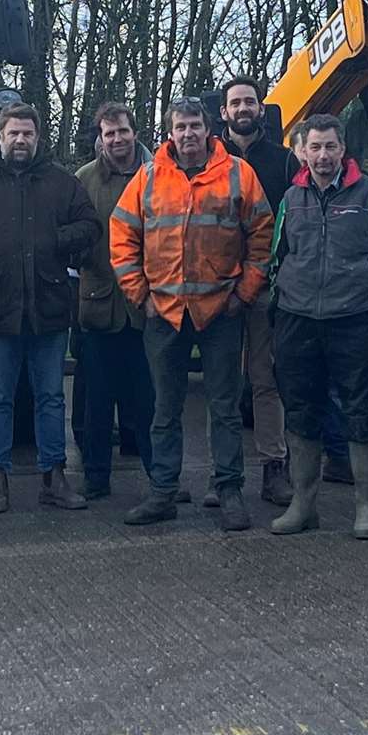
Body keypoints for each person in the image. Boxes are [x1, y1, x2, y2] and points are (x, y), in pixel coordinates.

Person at [114, 96, 274, 531]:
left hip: (221, 310)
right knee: (164, 408)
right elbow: (122, 236)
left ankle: (228, 491)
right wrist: (140, 295)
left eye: (194, 127)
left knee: (224, 408)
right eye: (180, 127)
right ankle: (162, 492)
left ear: (208, 130)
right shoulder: (148, 178)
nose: (188, 134)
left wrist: (244, 293)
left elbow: (263, 236)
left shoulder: (239, 175)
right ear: (169, 132)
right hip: (163, 312)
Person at [266, 114, 368, 539]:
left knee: (361, 412)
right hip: (298, 321)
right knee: (302, 411)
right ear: (302, 152)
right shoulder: (292, 197)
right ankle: (304, 504)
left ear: (343, 149)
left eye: (330, 147)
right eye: (315, 148)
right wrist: (279, 309)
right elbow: (276, 257)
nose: (323, 156)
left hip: (355, 323)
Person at [0, 103, 99, 512]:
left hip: (50, 306)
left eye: (27, 134)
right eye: (13, 133)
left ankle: (53, 477)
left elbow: (90, 226)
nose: (20, 140)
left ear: (38, 138)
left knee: (51, 397)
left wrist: (53, 240)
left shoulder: (61, 183)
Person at [74, 102, 157, 500]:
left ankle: (161, 476)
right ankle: (95, 476)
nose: (117, 139)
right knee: (97, 400)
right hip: (100, 304)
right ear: (100, 138)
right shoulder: (84, 179)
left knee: (150, 398)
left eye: (123, 131)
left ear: (134, 131)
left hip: (149, 304)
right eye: (109, 133)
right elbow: (72, 232)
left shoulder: (161, 176)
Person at [220, 77, 296, 507]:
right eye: (236, 102)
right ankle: (224, 475)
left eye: (250, 101)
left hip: (268, 288)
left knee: (266, 382)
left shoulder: (284, 163)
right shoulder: (210, 160)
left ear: (260, 109)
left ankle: (274, 468)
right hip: (219, 289)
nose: (243, 108)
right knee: (223, 384)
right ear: (224, 112)